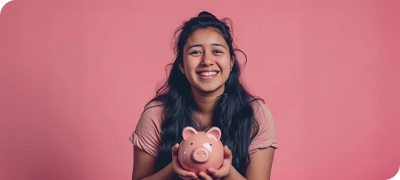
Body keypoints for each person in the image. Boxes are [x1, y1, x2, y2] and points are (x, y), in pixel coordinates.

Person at [129, 11, 278, 180]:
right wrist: (175, 166)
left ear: (231, 62)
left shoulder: (256, 115)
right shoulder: (156, 114)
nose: (207, 60)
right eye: (195, 52)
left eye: (217, 51)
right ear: (182, 65)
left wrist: (228, 172)